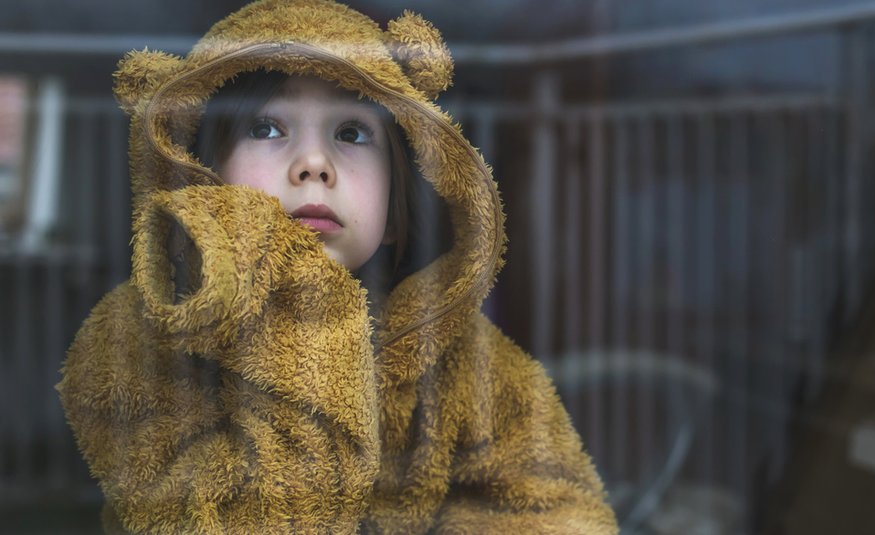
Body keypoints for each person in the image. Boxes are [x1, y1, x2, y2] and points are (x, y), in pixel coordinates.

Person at [57, 1, 619, 533]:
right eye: (266, 128)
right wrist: (302, 316)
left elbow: (553, 508)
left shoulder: (464, 357)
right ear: (201, 174)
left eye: (351, 133)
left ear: (396, 215)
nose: (313, 164)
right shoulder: (131, 343)